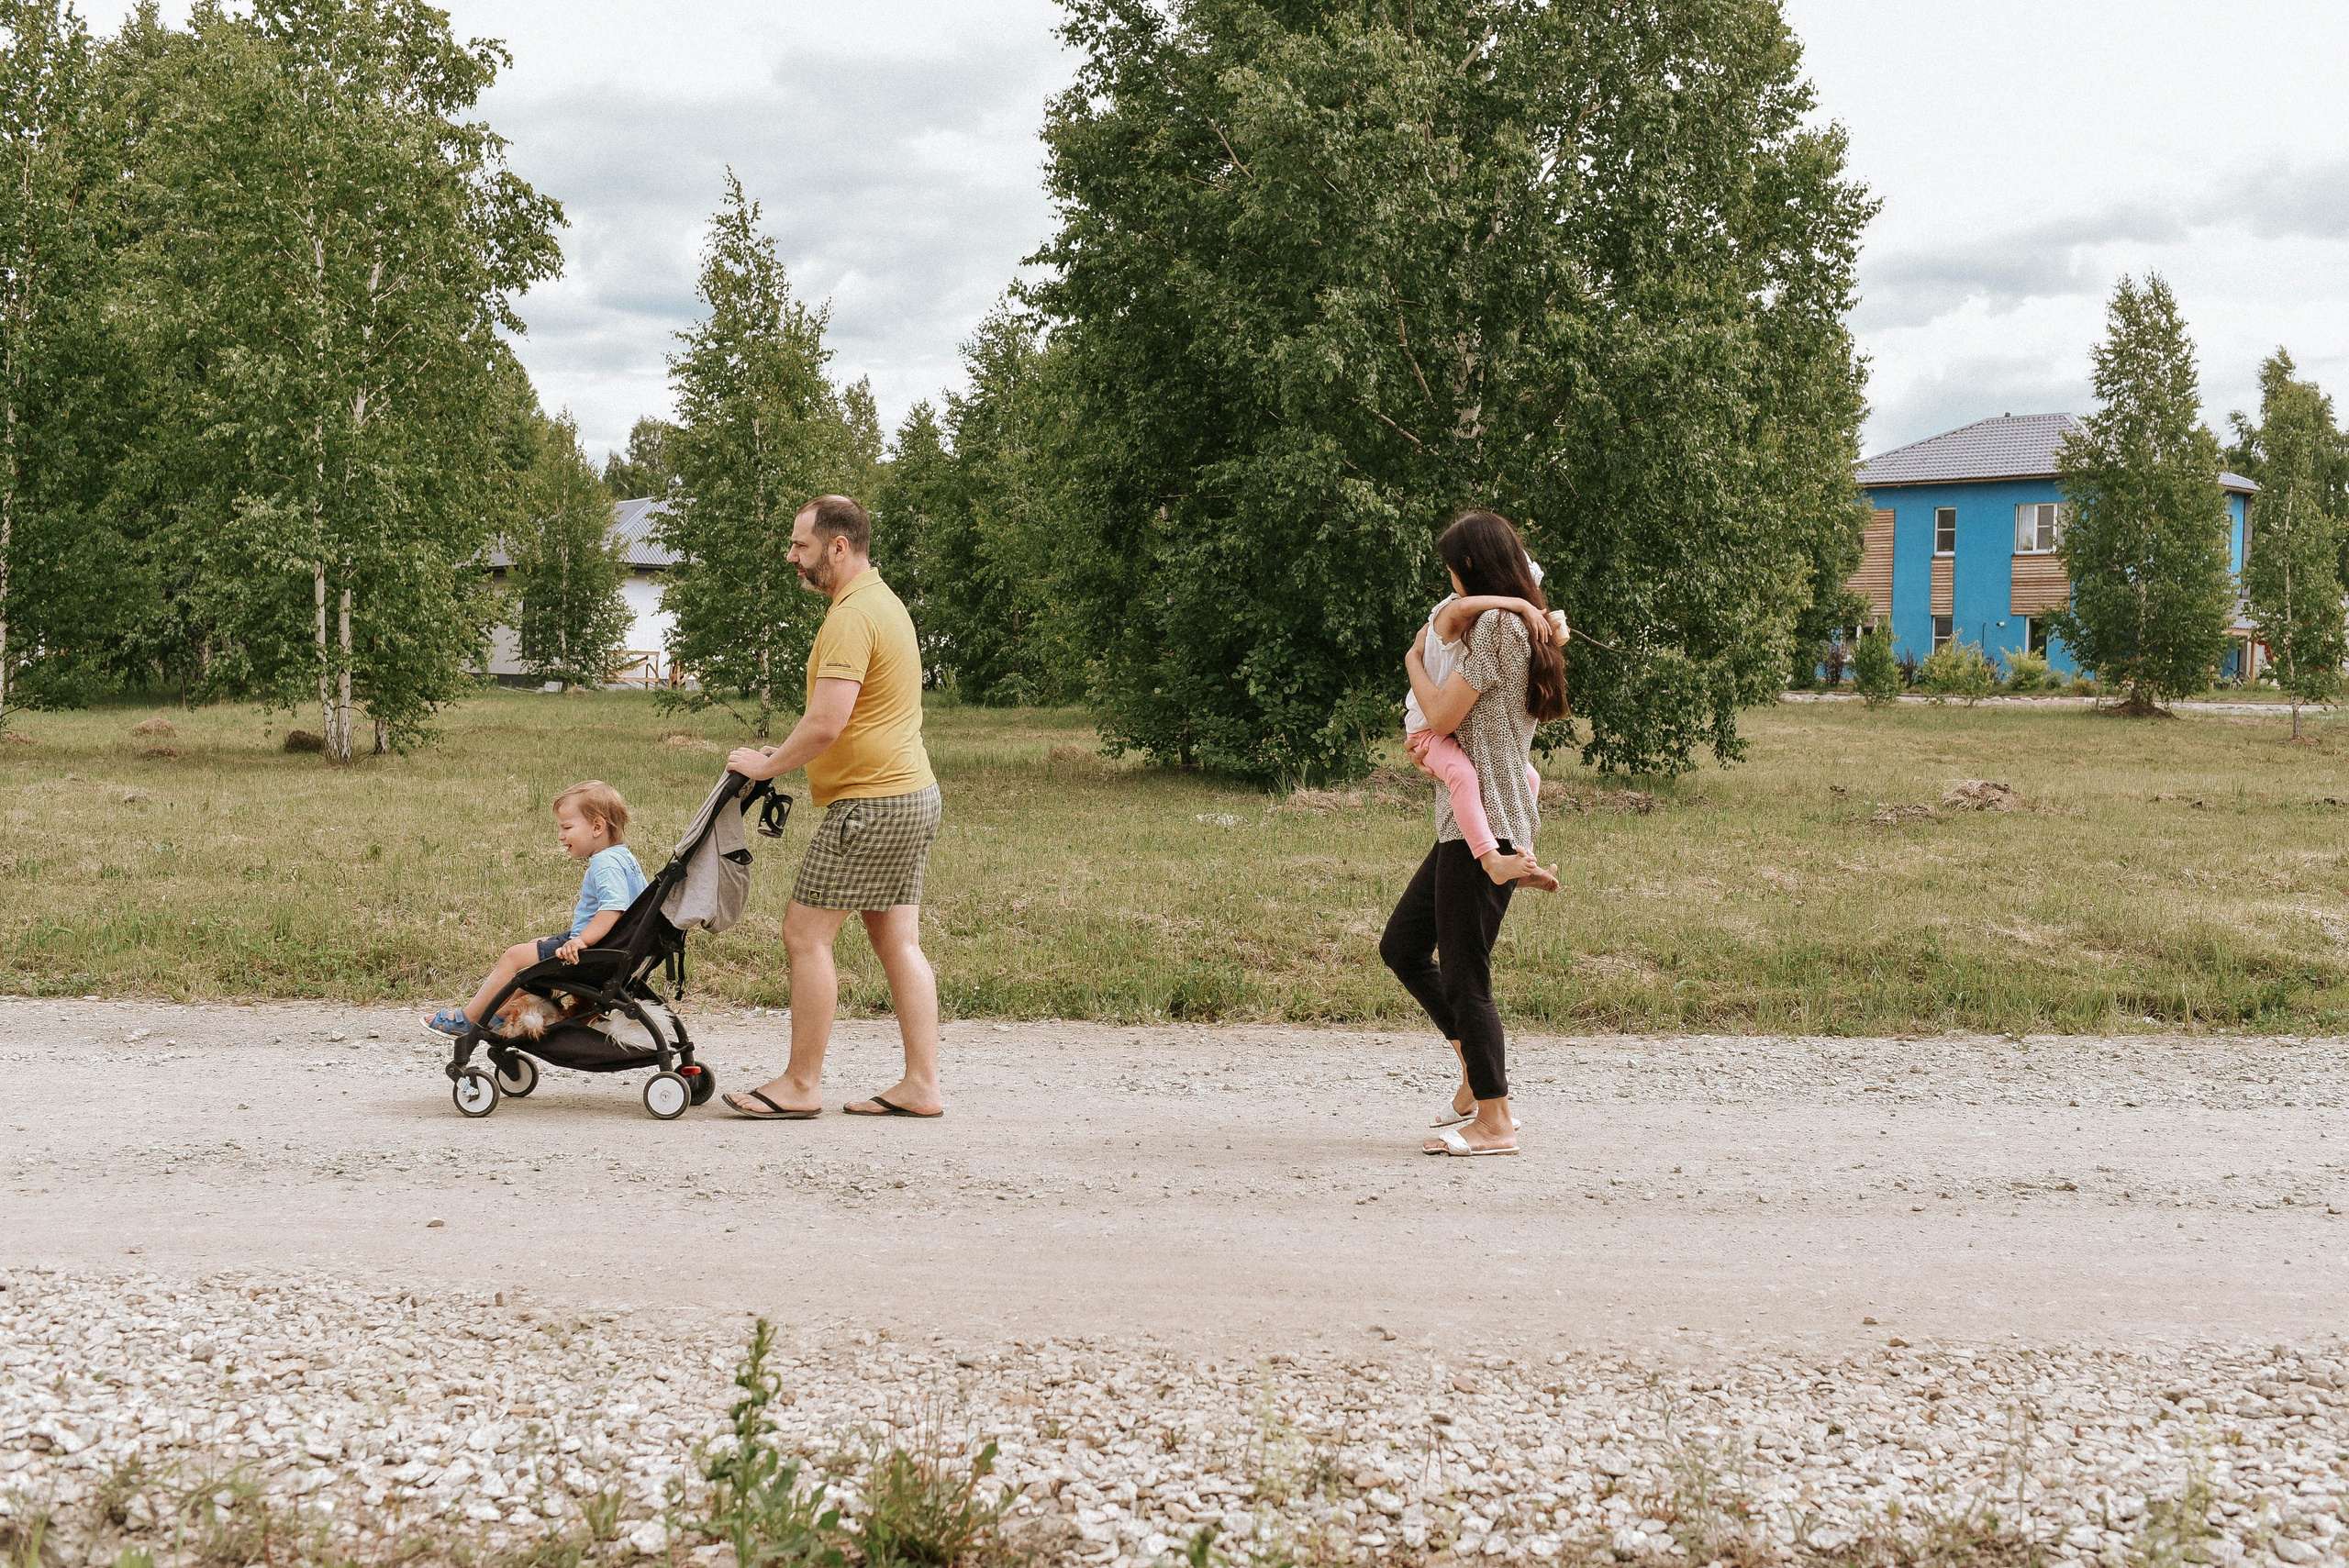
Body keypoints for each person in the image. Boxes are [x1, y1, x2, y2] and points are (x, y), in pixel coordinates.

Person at [720, 495, 945, 1121]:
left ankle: (800, 1082)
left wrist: (766, 766)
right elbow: (838, 722)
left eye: (800, 545)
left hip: (872, 803)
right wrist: (783, 752)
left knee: (804, 932)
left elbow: (827, 721)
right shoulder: (885, 602)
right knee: (897, 939)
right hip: (913, 794)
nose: (792, 556)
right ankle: (921, 1084)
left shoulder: (851, 615)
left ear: (837, 546)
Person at [1378, 511, 1568, 1156]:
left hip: (1484, 823)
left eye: (1453, 570)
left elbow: (1439, 711)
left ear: (1473, 568)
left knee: (1466, 974)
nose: (1451, 584)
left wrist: (1410, 660)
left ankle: (1494, 1118)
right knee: (1403, 946)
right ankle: (1471, 1071)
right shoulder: (1522, 622)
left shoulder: (1495, 627)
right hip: (1467, 820)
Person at [423, 781, 648, 1036]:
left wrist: (581, 941)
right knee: (534, 946)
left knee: (514, 957)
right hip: (613, 948)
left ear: (597, 826)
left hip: (595, 953)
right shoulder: (624, 858)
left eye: (567, 827)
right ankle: (502, 1014)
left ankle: (469, 1019)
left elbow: (613, 910)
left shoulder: (605, 864)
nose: (561, 836)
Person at [1405, 566, 1564, 892]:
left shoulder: (1497, 624)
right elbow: (1440, 717)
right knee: (1463, 776)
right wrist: (1520, 605)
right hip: (1426, 732)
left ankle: (1524, 859)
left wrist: (1554, 633)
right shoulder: (1455, 608)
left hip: (1445, 733)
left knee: (1530, 777)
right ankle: (1492, 859)